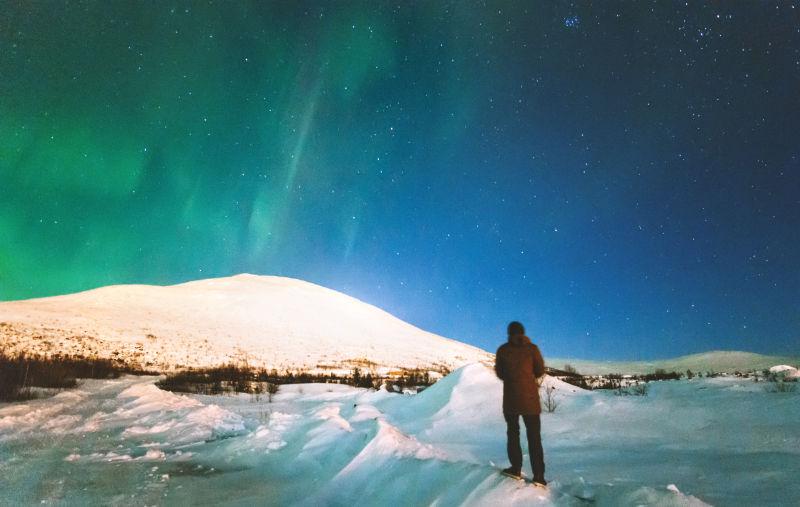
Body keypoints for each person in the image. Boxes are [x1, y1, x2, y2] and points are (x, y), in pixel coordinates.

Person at [494, 321, 547, 485]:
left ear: (509, 333)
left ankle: (515, 468)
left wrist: (512, 380)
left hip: (511, 400)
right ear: (523, 333)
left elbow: (500, 373)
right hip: (530, 401)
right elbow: (539, 371)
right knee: (534, 437)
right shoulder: (532, 349)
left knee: (513, 433)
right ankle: (538, 476)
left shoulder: (503, 350)